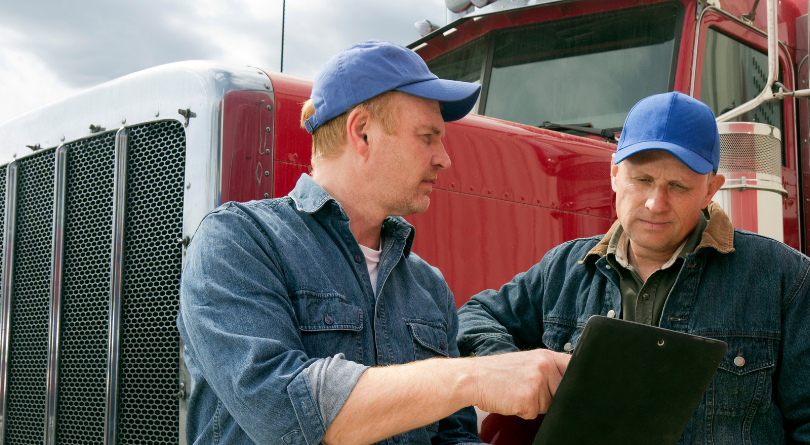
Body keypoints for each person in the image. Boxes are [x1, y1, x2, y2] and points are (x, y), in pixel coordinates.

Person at [178, 40, 570, 445]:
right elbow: (284, 412)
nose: (444, 158)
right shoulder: (238, 243)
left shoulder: (427, 287)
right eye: (427, 136)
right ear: (362, 132)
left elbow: (452, 438)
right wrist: (475, 376)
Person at [456, 92, 810, 444]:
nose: (656, 203)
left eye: (678, 185)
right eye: (642, 180)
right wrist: (512, 368)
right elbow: (474, 318)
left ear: (712, 189)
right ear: (614, 175)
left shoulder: (785, 280)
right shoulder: (563, 269)